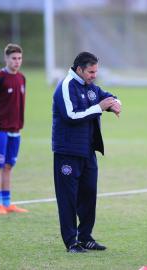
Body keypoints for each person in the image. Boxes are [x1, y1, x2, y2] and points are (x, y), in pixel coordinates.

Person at [52, 52, 121, 253]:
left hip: (88, 152)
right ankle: (71, 242)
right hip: (68, 152)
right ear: (80, 69)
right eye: (91, 72)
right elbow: (71, 116)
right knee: (68, 198)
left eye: (96, 71)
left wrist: (115, 104)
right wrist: (100, 107)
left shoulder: (90, 87)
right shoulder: (65, 86)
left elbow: (109, 97)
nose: (94, 75)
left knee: (89, 195)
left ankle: (85, 237)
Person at [0, 43, 28, 214]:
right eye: (13, 58)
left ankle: (7, 203)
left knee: (8, 166)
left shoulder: (22, 78)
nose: (17, 62)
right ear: (6, 58)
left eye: (19, 58)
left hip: (15, 129)